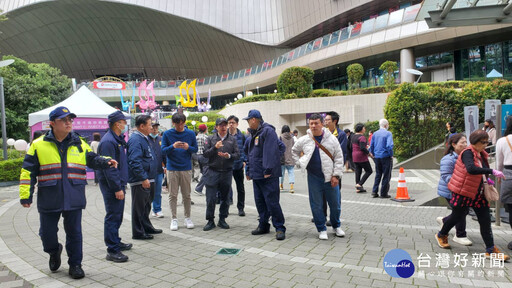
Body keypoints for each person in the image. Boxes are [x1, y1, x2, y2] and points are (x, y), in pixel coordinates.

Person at [19, 106, 117, 279]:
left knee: (74, 233)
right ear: (52, 124)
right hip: (49, 196)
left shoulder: (79, 143)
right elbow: (28, 172)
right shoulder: (38, 145)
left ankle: (75, 265)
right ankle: (53, 250)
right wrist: (25, 195)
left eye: (70, 119)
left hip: (74, 194)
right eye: (63, 120)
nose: (68, 123)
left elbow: (92, 159)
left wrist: (106, 161)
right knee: (46, 233)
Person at [436, 130, 509, 262]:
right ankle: (441, 234)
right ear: (475, 142)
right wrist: (492, 171)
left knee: (485, 220)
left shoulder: (482, 154)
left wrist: (488, 179)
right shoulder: (467, 153)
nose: (486, 145)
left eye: (487, 142)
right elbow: (471, 169)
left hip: (479, 193)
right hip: (464, 192)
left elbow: (480, 171)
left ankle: (490, 249)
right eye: (483, 142)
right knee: (457, 216)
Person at [292, 113, 345, 240]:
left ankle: (336, 226)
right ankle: (321, 228)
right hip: (314, 177)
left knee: (335, 204)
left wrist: (336, 175)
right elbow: (294, 150)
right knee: (316, 204)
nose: (314, 126)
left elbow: (339, 157)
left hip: (330, 177)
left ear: (322, 124)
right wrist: (299, 163)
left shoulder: (331, 139)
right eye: (311, 123)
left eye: (316, 123)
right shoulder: (305, 139)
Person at [244, 109, 286, 240]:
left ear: (254, 120)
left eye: (248, 120)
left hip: (268, 175)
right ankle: (263, 225)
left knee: (272, 202)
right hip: (256, 174)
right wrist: (248, 171)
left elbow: (273, 150)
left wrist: (269, 168)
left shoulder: (267, 131)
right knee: (260, 202)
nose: (248, 123)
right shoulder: (252, 135)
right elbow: (248, 155)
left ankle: (279, 227)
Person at [97, 111, 132, 263]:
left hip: (118, 183)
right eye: (124, 122)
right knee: (113, 215)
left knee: (117, 215)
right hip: (113, 185)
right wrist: (117, 188)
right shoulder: (108, 142)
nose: (125, 125)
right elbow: (109, 168)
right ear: (117, 124)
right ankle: (112, 250)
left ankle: (116, 241)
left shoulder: (115, 139)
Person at [127, 115, 162, 240]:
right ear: (141, 126)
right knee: (139, 207)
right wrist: (143, 178)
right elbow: (134, 161)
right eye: (149, 124)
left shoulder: (144, 138)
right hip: (141, 180)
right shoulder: (136, 139)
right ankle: (138, 232)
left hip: (150, 177)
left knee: (147, 205)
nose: (151, 127)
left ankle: (146, 226)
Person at [161, 113, 198, 231]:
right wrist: (173, 146)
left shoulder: (191, 133)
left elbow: (195, 149)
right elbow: (163, 150)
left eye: (182, 123)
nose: (180, 126)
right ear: (173, 123)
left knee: (187, 195)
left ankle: (187, 217)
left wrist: (188, 147)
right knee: (173, 195)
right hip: (172, 168)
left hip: (186, 168)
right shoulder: (167, 134)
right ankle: (174, 218)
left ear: (184, 122)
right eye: (177, 124)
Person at [202, 118, 240, 231]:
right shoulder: (210, 138)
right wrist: (215, 148)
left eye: (225, 125)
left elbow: (237, 154)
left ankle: (222, 219)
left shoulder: (232, 140)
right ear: (216, 127)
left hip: (227, 172)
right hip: (213, 171)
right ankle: (210, 220)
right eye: (220, 125)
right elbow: (205, 154)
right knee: (211, 197)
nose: (223, 127)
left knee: (225, 197)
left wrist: (229, 156)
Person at [436, 133, 472, 246]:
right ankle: (460, 235)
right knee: (460, 211)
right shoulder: (448, 159)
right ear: (453, 144)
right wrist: (459, 183)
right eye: (462, 142)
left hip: (462, 190)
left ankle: (445, 221)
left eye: (466, 142)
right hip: (450, 191)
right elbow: (446, 176)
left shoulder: (465, 157)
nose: (465, 145)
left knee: (462, 211)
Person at [496, 116, 512, 250]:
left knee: (511, 209)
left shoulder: (503, 141)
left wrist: (499, 176)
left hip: (508, 175)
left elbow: (499, 163)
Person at [369, 119, 394, 198]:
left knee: (378, 174)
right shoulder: (388, 133)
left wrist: (372, 153)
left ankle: (374, 191)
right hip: (385, 156)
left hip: (377, 156)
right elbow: (389, 146)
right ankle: (383, 193)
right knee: (386, 175)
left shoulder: (375, 134)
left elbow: (371, 145)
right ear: (386, 125)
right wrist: (391, 155)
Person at [227, 115, 247, 216]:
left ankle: (241, 208)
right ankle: (226, 207)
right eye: (229, 122)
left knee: (240, 188)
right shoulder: (224, 135)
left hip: (239, 165)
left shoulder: (242, 136)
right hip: (227, 166)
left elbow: (244, 149)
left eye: (233, 123)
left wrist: (244, 161)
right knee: (226, 187)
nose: (231, 124)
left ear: (237, 124)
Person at [149, 122, 166, 218]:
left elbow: (164, 154)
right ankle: (147, 209)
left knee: (157, 191)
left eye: (156, 128)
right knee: (148, 192)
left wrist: (166, 165)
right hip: (149, 171)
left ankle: (157, 209)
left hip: (159, 170)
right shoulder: (146, 139)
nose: (155, 130)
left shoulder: (160, 139)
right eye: (153, 128)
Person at [351, 123, 373, 193]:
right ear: (361, 129)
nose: (365, 129)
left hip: (354, 155)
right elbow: (362, 147)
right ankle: (359, 184)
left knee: (358, 171)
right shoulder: (362, 137)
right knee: (369, 171)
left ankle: (358, 188)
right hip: (361, 156)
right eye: (364, 128)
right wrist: (369, 154)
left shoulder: (353, 136)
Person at [279, 125, 295, 193]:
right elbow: (294, 147)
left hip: (282, 158)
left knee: (281, 173)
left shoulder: (281, 137)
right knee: (291, 172)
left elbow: (278, 147)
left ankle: (281, 185)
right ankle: (291, 186)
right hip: (291, 158)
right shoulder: (292, 138)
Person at [194, 124, 208, 196]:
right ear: (205, 129)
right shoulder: (206, 137)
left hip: (197, 156)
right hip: (204, 156)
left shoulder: (196, 137)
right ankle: (199, 188)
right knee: (206, 173)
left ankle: (202, 188)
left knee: (203, 172)